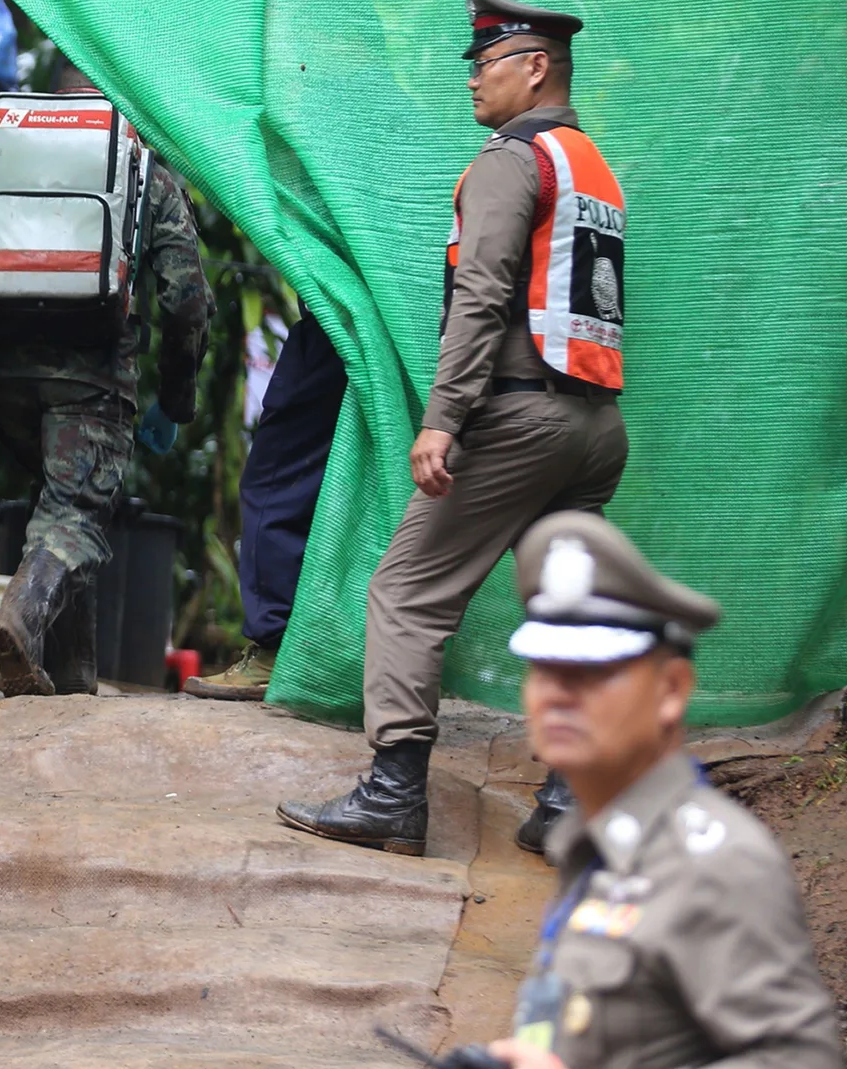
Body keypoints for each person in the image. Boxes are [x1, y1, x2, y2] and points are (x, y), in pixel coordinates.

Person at [279, 0, 628, 856]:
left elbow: (482, 296)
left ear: (535, 66)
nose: (471, 74)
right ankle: (568, 796)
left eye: (487, 58)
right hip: (594, 425)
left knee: (407, 592)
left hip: (519, 416)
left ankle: (394, 793)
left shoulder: (514, 160)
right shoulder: (592, 167)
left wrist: (444, 420)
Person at [479, 511, 842, 1069]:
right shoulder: (597, 839)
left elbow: (799, 1058)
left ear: (671, 690)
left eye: (593, 672)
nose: (557, 695)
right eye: (545, 670)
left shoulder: (717, 864)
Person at [0, 61, 213, 697]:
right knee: (76, 512)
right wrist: (175, 397)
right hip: (91, 379)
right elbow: (185, 299)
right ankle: (19, 619)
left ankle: (70, 678)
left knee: (63, 504)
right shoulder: (141, 169)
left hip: (5, 372)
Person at [184, 308, 346, 700]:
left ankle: (276, 650)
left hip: (334, 325)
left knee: (275, 484)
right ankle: (316, 650)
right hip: (385, 332)